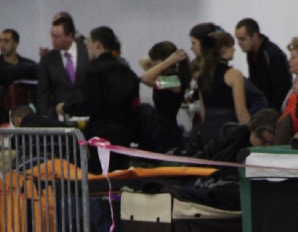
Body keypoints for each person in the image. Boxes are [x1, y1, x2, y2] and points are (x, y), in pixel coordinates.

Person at [56, 26, 140, 174]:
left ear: (98, 45)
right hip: (124, 135)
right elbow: (134, 105)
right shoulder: (127, 71)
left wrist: (66, 108)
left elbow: (91, 105)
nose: (86, 46)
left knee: (100, 179)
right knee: (120, 178)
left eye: (89, 42)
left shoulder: (93, 71)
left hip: (101, 135)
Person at [197, 30, 250, 150]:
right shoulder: (234, 74)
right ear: (224, 49)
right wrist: (250, 133)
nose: (235, 49)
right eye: (232, 46)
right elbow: (241, 112)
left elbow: (203, 112)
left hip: (208, 129)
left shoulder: (202, 75)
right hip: (228, 130)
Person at [138, 41, 191, 153]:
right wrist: (168, 60)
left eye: (154, 61)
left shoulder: (175, 81)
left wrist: (168, 61)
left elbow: (144, 78)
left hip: (167, 132)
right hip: (156, 128)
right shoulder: (163, 77)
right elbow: (142, 61)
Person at [37, 15, 89, 118]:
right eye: (52, 36)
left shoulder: (87, 53)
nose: (53, 40)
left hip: (87, 112)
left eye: (57, 37)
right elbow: (43, 92)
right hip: (61, 116)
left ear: (70, 35)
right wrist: (46, 116)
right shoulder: (47, 59)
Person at [234, 18, 292, 110]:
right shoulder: (251, 53)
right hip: (261, 106)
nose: (239, 43)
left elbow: (281, 87)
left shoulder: (272, 54)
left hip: (273, 109)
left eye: (242, 39)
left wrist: (271, 111)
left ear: (255, 36)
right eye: (238, 39)